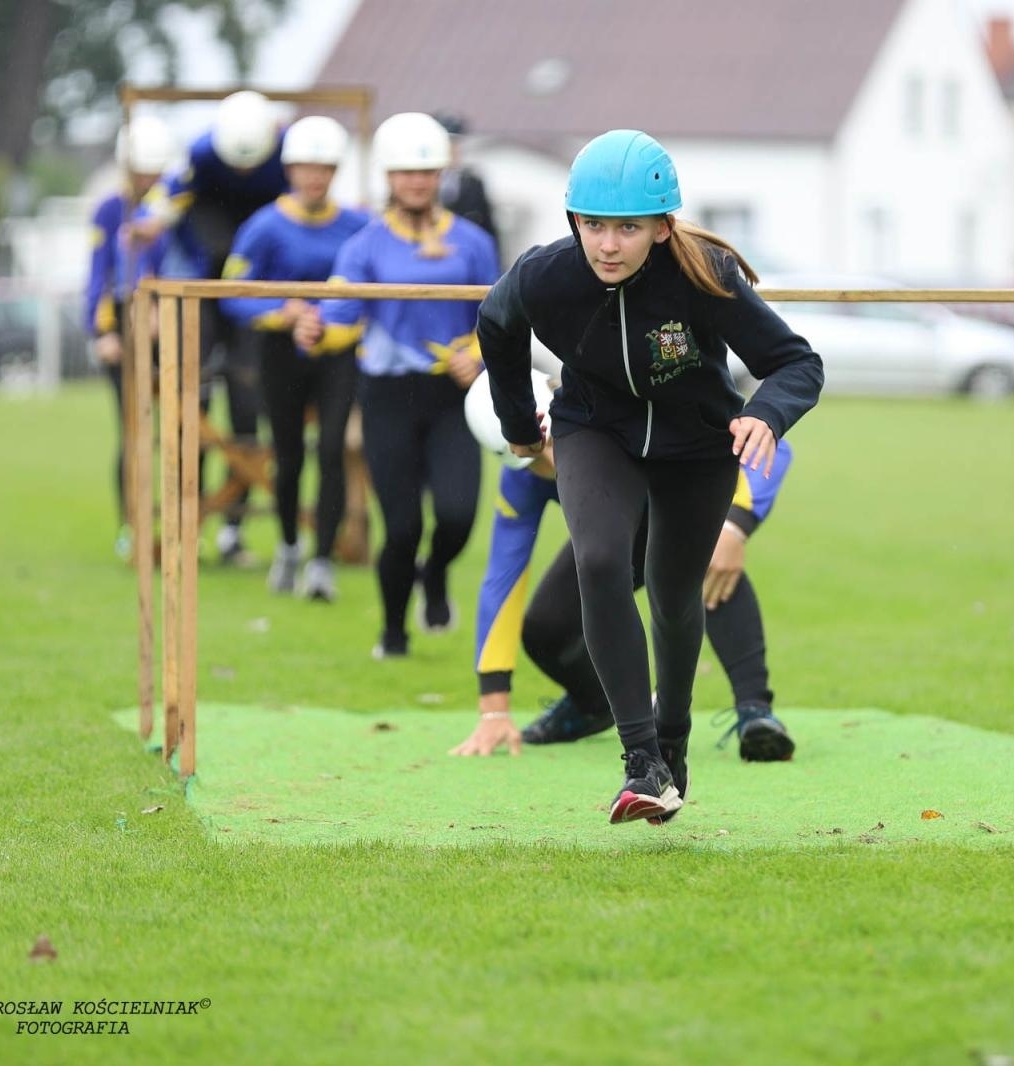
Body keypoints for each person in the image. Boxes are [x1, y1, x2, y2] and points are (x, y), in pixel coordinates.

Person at [476, 129, 823, 825]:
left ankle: (674, 742)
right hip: (593, 431)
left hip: (697, 447)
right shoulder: (546, 276)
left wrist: (765, 415)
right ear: (573, 220)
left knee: (671, 595)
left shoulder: (707, 274)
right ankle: (641, 761)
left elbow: (798, 364)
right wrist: (519, 426)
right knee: (599, 559)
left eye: (628, 228)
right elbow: (496, 325)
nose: (607, 244)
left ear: (662, 227)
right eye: (593, 225)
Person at [452, 392, 799, 766]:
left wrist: (736, 526)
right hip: (613, 537)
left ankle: (755, 712)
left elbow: (776, 450)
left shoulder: (625, 410)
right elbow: (503, 580)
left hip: (681, 513)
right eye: (537, 456)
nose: (553, 459)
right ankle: (592, 707)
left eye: (554, 442)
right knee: (544, 627)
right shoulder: (519, 484)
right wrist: (494, 709)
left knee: (702, 560)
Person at [295, 112, 500, 657]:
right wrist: (313, 331)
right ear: (388, 176)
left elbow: (499, 319)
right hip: (388, 396)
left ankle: (433, 577)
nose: (417, 181)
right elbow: (338, 322)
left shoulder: (474, 242)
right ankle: (392, 633)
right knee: (402, 526)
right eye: (406, 172)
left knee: (457, 517)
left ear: (440, 174)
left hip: (454, 397)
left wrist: (475, 355)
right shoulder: (363, 247)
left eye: (427, 172)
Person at [132, 90, 290, 565]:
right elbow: (165, 196)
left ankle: (233, 531)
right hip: (200, 283)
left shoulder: (288, 156)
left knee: (246, 407)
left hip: (250, 291)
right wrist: (149, 223)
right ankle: (187, 525)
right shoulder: (200, 153)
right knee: (192, 410)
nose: (242, 173)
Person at [221, 115, 371, 602]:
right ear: (289, 169)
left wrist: (333, 316)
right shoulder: (263, 226)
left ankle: (322, 561)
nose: (315, 177)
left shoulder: (357, 224)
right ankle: (288, 545)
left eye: (325, 167)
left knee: (332, 450)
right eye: (306, 167)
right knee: (286, 455)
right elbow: (231, 293)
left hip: (337, 351)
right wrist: (281, 312)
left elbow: (373, 281)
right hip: (280, 352)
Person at [85, 115, 172, 560]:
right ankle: (130, 522)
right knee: (133, 430)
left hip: (171, 320)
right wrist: (103, 332)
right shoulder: (109, 210)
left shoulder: (172, 208)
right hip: (122, 324)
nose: (147, 179)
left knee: (183, 427)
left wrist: (162, 307)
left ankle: (183, 523)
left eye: (154, 171)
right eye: (141, 170)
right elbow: (98, 272)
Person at [433, 113, 498, 251]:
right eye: (447, 143)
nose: (452, 150)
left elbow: (488, 227)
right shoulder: (420, 184)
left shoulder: (472, 184)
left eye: (456, 144)